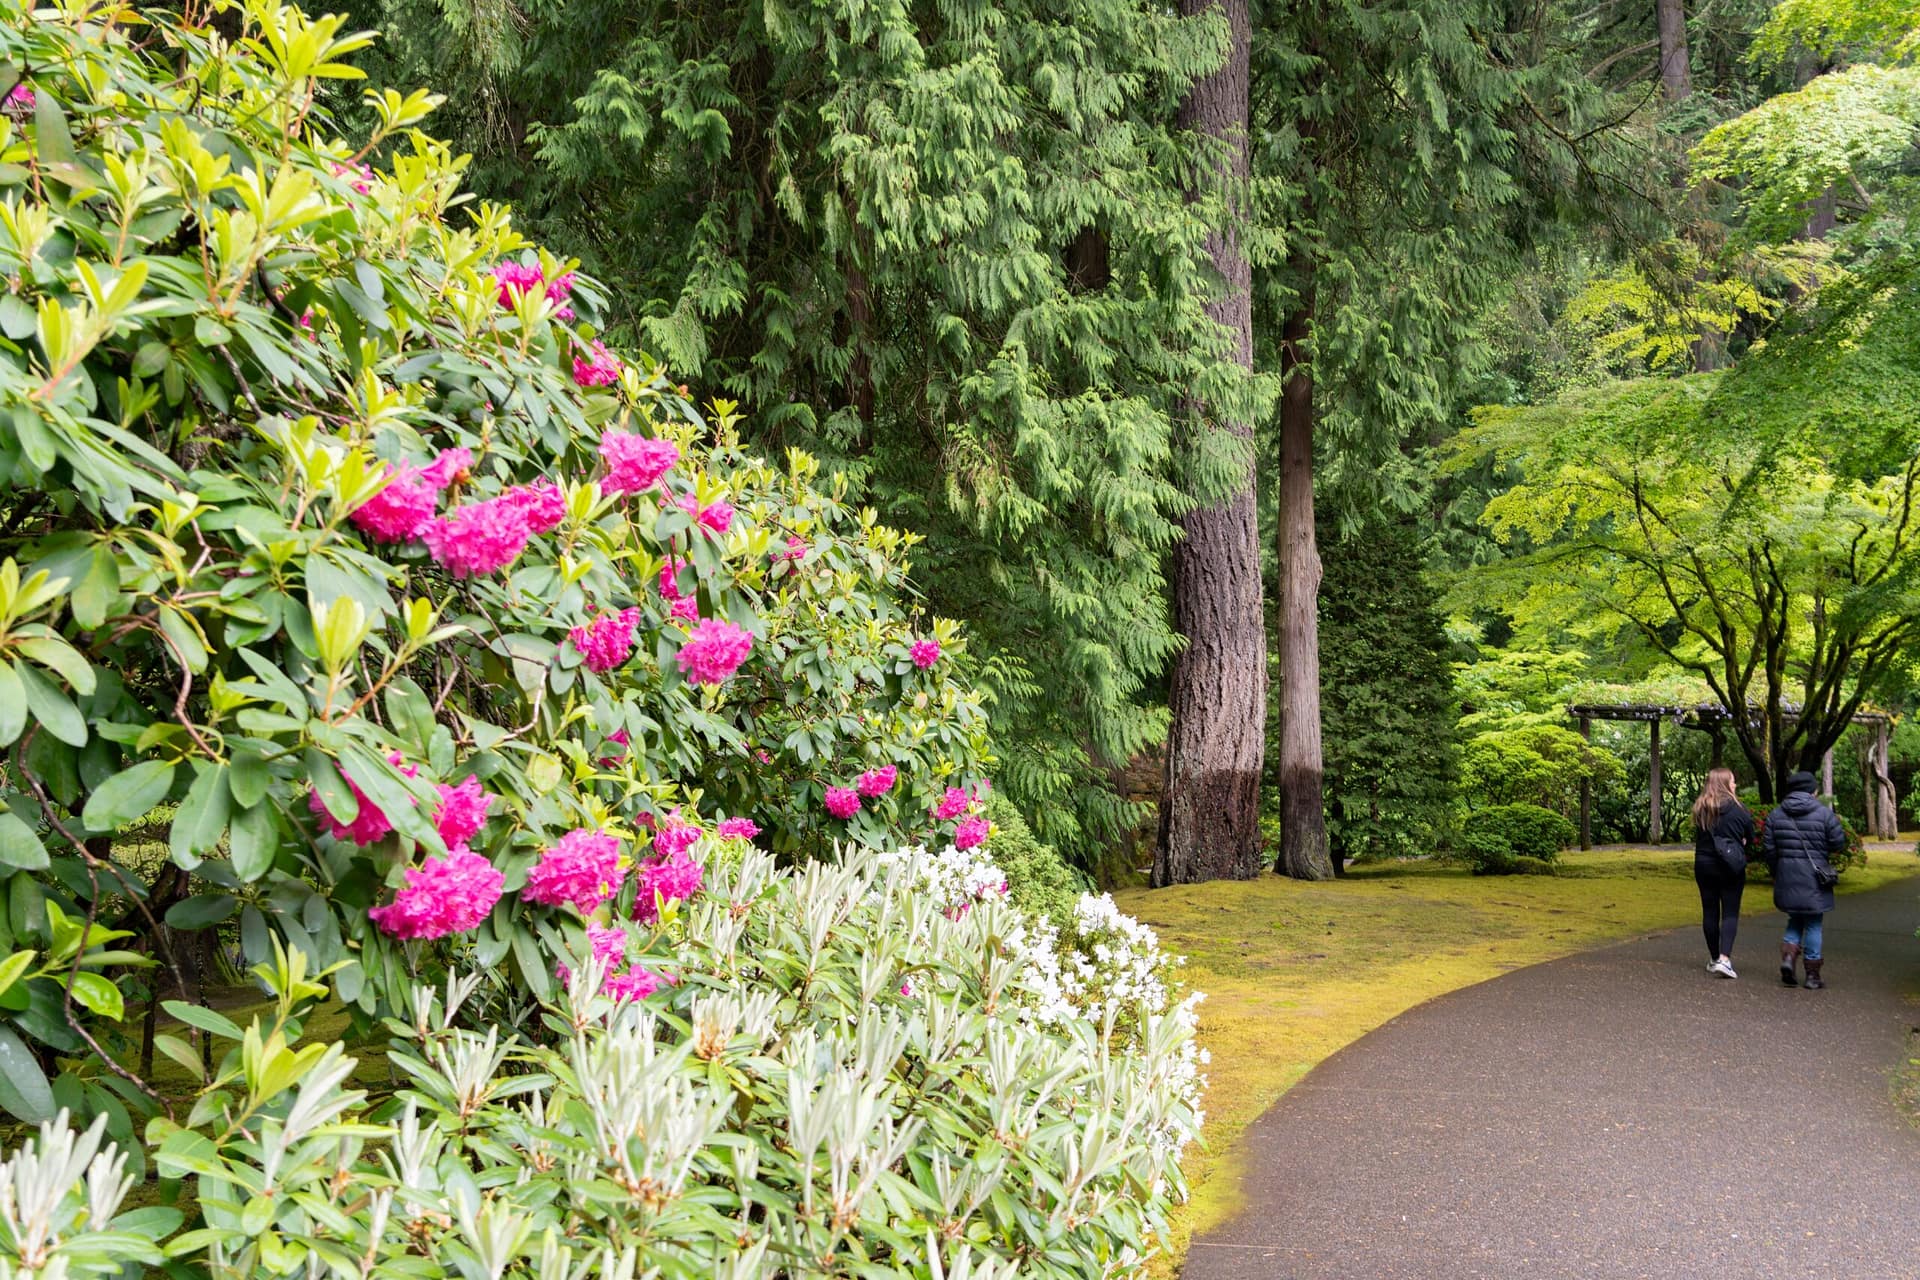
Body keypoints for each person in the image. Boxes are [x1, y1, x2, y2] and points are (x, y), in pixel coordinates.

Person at [1762, 770, 1846, 990]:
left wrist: (1777, 870)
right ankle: (1812, 975)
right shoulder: (1824, 814)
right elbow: (1839, 843)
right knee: (1814, 923)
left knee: (1795, 919)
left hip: (1787, 875)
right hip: (1815, 877)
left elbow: (1769, 849)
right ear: (1813, 790)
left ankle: (1788, 960)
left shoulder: (1775, 814)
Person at [1690, 767, 1753, 978]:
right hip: (1730, 865)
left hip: (1704, 864)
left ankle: (1714, 958)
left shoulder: (1701, 808)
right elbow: (1750, 837)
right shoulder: (1739, 809)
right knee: (1730, 912)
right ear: (1726, 783)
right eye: (1733, 781)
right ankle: (1725, 959)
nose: (1735, 785)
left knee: (1709, 911)